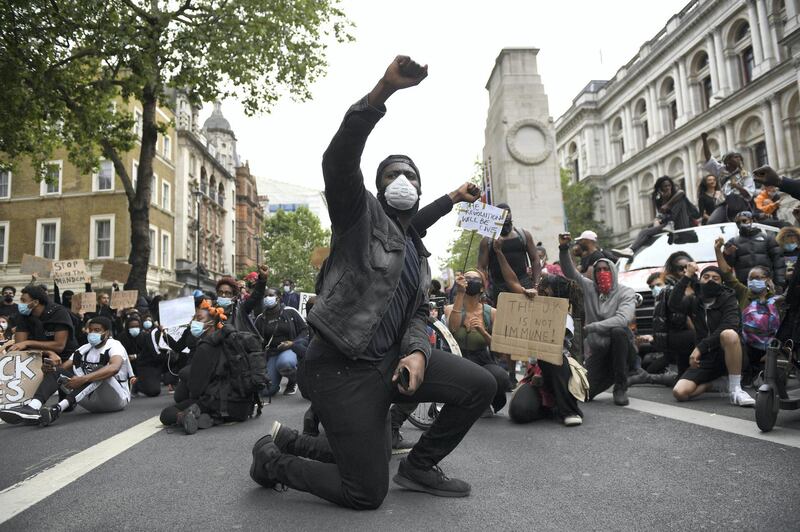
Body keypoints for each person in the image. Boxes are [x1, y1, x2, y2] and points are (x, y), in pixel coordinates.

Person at [249, 55, 496, 509]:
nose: (402, 181)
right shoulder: (358, 219)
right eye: (392, 175)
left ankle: (419, 467)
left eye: (411, 176)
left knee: (481, 385)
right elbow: (338, 159)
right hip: (342, 369)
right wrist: (384, 90)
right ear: (379, 189)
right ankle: (272, 459)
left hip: (392, 363)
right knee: (365, 490)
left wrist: (419, 353)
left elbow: (418, 311)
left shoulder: (414, 251)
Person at [0, 317, 132, 426]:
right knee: (57, 371)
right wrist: (49, 370)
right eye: (90, 330)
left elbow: (114, 368)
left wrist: (83, 379)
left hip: (115, 399)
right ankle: (33, 408)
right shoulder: (84, 349)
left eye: (97, 330)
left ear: (107, 333)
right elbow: (62, 369)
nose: (92, 333)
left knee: (100, 370)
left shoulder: (114, 346)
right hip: (91, 401)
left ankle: (57, 409)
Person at [160, 300, 264, 434]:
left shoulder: (205, 347)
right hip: (244, 408)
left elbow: (196, 390)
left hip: (218, 403)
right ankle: (210, 418)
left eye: (199, 319)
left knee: (167, 413)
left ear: (210, 324)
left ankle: (186, 417)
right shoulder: (234, 341)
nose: (193, 323)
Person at [559, 233, 637, 406]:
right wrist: (564, 249)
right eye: (599, 270)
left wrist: (592, 327)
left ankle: (621, 386)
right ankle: (618, 375)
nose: (602, 273)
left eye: (606, 269)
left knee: (618, 331)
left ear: (613, 271)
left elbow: (623, 319)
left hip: (621, 348)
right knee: (583, 394)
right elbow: (570, 272)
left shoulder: (626, 293)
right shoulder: (589, 288)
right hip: (599, 352)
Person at [669, 263, 755, 406]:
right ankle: (714, 384)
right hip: (706, 359)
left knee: (729, 334)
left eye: (715, 278)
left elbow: (729, 325)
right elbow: (673, 304)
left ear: (722, 282)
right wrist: (687, 276)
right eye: (706, 277)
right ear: (700, 280)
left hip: (728, 353)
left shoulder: (729, 299)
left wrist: (700, 348)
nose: (710, 280)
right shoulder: (694, 301)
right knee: (680, 392)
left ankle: (735, 389)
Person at [714, 238, 780, 385]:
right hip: (747, 347)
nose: (753, 281)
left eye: (757, 278)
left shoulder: (778, 300)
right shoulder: (744, 293)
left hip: (772, 349)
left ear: (768, 280)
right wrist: (718, 251)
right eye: (750, 278)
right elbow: (726, 273)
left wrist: (773, 353)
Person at [444, 270, 508, 415]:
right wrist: (460, 293)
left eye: (475, 279)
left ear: (482, 287)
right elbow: (453, 328)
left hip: (481, 360)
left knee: (500, 377)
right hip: (458, 359)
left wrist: (483, 332)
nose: (471, 280)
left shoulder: (491, 313)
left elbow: (500, 353)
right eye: (467, 278)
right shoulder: (450, 309)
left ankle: (484, 400)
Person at [614, 176, 696, 258]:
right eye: (665, 186)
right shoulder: (659, 199)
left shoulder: (678, 195)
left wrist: (668, 204)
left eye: (669, 185)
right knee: (644, 232)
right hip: (668, 226)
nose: (668, 188)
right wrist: (657, 219)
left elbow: (681, 192)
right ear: (660, 188)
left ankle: (670, 223)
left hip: (683, 224)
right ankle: (631, 249)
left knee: (680, 200)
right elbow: (660, 214)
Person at [478, 203, 541, 304]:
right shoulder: (487, 241)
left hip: (524, 283)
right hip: (499, 287)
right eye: (501, 213)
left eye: (508, 212)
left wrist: (536, 285)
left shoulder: (524, 235)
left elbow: (535, 259)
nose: (505, 215)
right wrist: (483, 291)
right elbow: (481, 267)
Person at [254, 287, 308, 397]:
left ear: (278, 298)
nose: (267, 298)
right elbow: (256, 339)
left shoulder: (290, 311)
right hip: (272, 353)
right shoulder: (260, 318)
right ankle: (276, 382)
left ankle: (293, 381)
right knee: (266, 391)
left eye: (270, 295)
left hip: (290, 349)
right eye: (265, 296)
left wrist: (294, 343)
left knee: (284, 363)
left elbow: (305, 330)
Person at [8, 285, 78, 361]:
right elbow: (20, 345)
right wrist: (47, 352)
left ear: (35, 302)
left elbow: (59, 346)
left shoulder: (59, 313)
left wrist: (28, 343)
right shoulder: (24, 315)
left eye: (23, 301)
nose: (20, 304)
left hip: (65, 359)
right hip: (37, 358)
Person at [702, 133, 756, 224]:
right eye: (735, 157)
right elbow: (709, 158)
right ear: (728, 160)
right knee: (712, 222)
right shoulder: (721, 170)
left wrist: (737, 186)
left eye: (739, 157)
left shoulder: (745, 174)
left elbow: (749, 193)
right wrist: (704, 140)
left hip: (740, 203)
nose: (738, 159)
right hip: (724, 203)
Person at [723, 211, 785, 289]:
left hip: (767, 284)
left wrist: (779, 283)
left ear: (751, 221)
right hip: (745, 287)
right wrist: (726, 254)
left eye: (744, 221)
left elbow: (778, 262)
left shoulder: (767, 239)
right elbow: (727, 266)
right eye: (738, 222)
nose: (741, 224)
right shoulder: (733, 242)